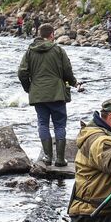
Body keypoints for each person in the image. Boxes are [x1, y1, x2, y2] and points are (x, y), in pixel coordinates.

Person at [17, 23, 79, 167]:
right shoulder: (58, 50)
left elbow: (22, 73)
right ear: (51, 35)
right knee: (59, 125)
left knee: (43, 123)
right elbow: (67, 71)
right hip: (57, 94)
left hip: (38, 94)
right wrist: (74, 83)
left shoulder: (29, 52)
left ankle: (48, 157)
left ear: (40, 34)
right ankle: (60, 159)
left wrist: (29, 88)